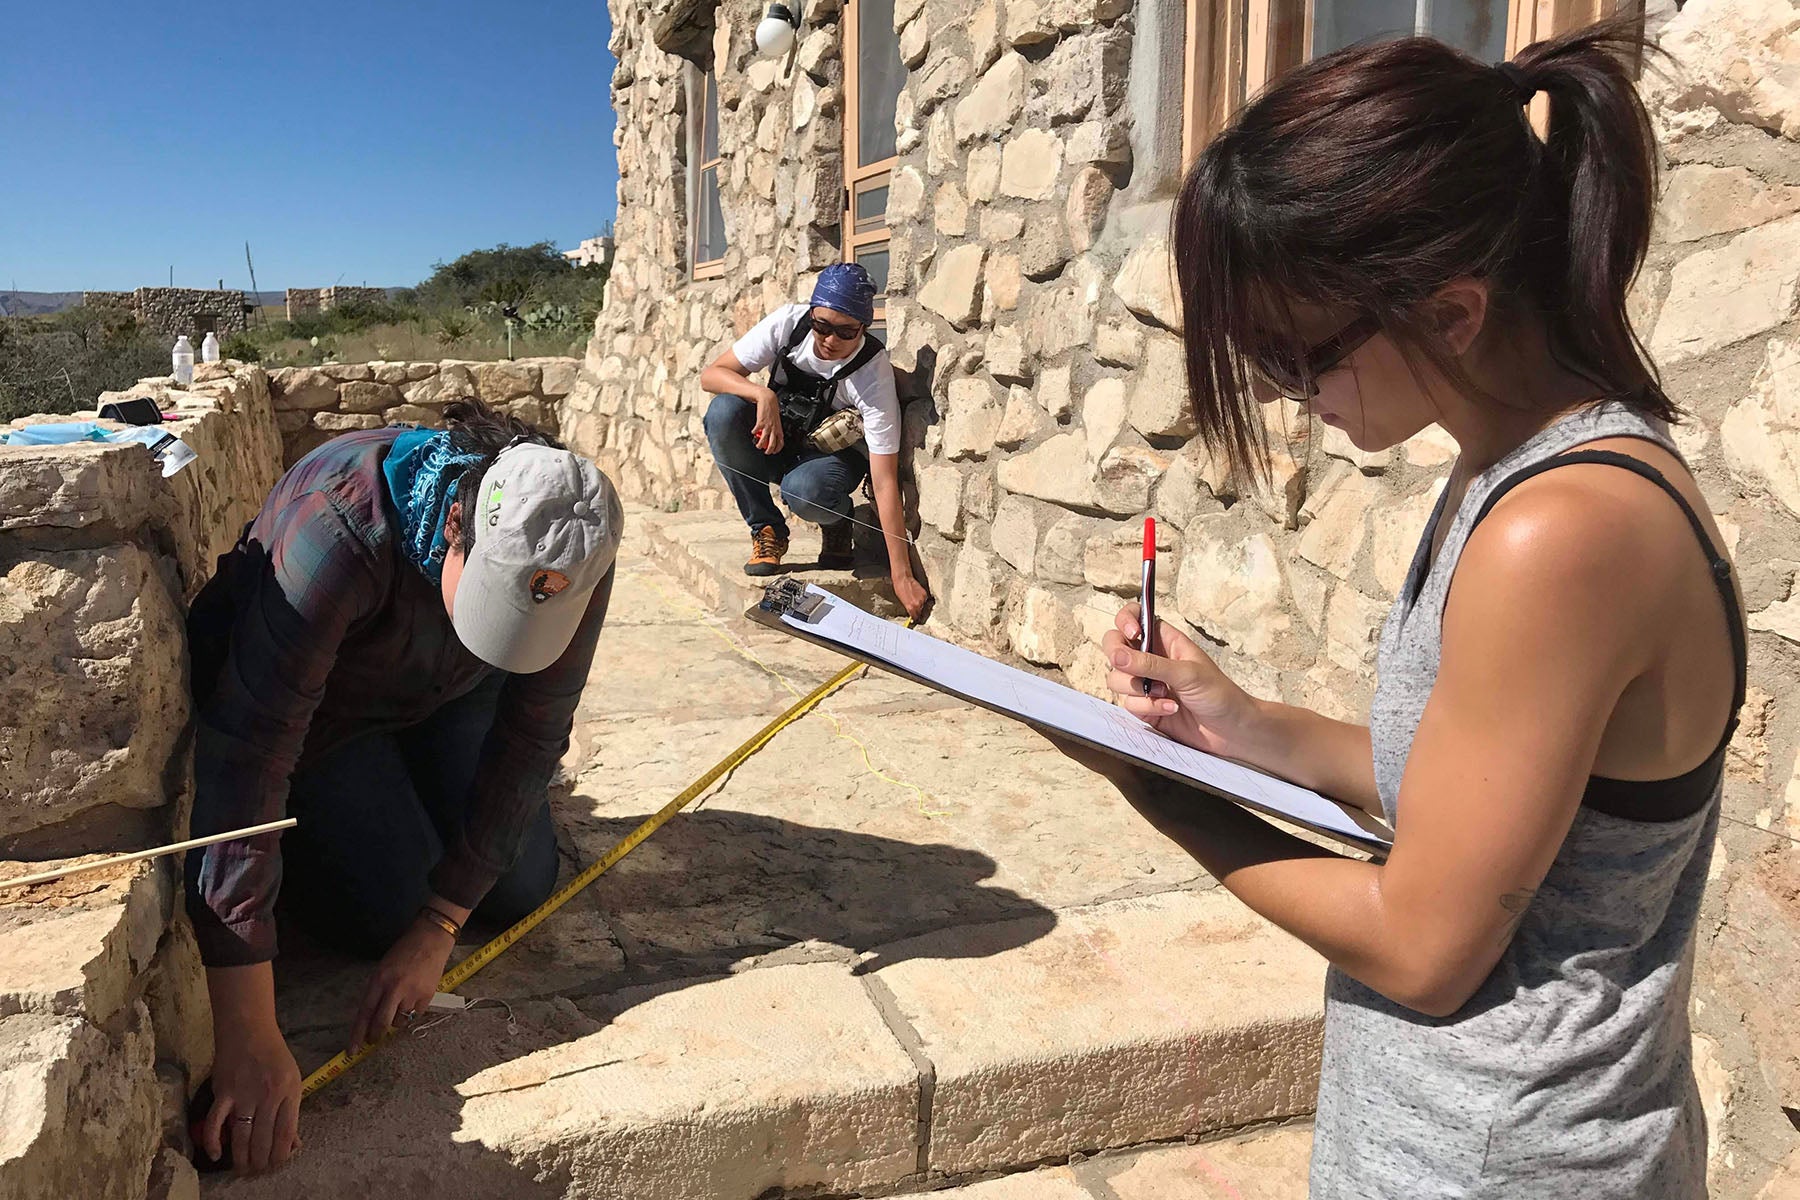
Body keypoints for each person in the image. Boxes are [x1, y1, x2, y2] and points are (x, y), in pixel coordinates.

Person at [1064, 24, 1739, 1199]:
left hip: (1508, 1160)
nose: (1290, 395)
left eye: (1296, 357)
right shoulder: (1506, 472)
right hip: (1469, 1135)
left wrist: (1157, 791)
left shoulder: (1559, 530)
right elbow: (1466, 796)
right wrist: (1240, 726)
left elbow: (1423, 949)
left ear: (1455, 311)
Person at [183, 400, 623, 1174]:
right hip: (329, 720)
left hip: (452, 691)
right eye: (494, 603)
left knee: (517, 888)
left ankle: (421, 811)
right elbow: (248, 757)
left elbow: (534, 733)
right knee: (385, 911)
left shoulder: (578, 543)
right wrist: (247, 1029)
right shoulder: (337, 528)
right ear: (458, 525)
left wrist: (443, 923)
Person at [700, 263, 930, 621]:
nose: (830, 340)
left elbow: (884, 481)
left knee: (804, 491)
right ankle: (767, 529)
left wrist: (901, 576)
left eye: (845, 332)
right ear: (811, 314)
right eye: (822, 326)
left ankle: (836, 521)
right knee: (723, 413)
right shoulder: (789, 325)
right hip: (777, 441)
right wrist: (762, 395)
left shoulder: (873, 374)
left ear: (864, 328)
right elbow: (712, 374)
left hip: (828, 462)